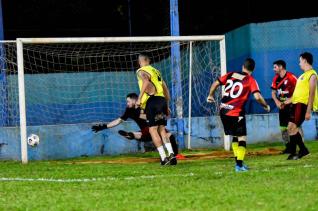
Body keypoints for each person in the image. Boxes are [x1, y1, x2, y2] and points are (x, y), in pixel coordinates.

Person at [207, 58, 270, 172]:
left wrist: (210, 95)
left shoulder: (231, 74)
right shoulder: (250, 79)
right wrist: (265, 105)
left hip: (223, 110)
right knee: (242, 137)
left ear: (243, 66)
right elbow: (257, 97)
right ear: (253, 69)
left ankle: (239, 163)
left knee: (235, 136)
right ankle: (239, 165)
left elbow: (216, 82)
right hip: (235, 112)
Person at [91, 93, 183, 158]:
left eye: (128, 101)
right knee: (168, 135)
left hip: (148, 132)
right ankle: (175, 155)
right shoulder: (129, 110)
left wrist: (103, 127)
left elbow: (118, 121)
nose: (127, 104)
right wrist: (104, 126)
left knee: (144, 135)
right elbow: (118, 120)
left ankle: (132, 135)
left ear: (134, 100)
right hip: (151, 130)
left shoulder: (144, 104)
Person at [136, 54, 177, 165]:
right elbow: (165, 88)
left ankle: (164, 158)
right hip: (162, 101)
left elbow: (145, 81)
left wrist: (139, 98)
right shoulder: (157, 72)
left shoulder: (141, 70)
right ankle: (171, 154)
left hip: (152, 103)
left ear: (141, 61)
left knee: (152, 130)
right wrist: (167, 105)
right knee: (162, 129)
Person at [283, 52, 317, 160]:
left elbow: (312, 93)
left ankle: (301, 151)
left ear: (305, 60)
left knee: (292, 127)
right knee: (290, 128)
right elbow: (298, 93)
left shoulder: (312, 75)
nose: (299, 63)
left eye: (300, 61)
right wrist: (288, 101)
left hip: (302, 106)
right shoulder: (302, 76)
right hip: (295, 104)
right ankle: (297, 151)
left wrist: (308, 111)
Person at [271, 60, 297, 153]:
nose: (273, 69)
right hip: (282, 107)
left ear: (281, 67)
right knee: (283, 127)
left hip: (292, 106)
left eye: (275, 67)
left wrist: (288, 101)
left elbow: (299, 92)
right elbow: (273, 93)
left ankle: (300, 147)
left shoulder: (291, 77)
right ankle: (288, 147)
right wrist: (277, 102)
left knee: (294, 127)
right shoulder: (275, 79)